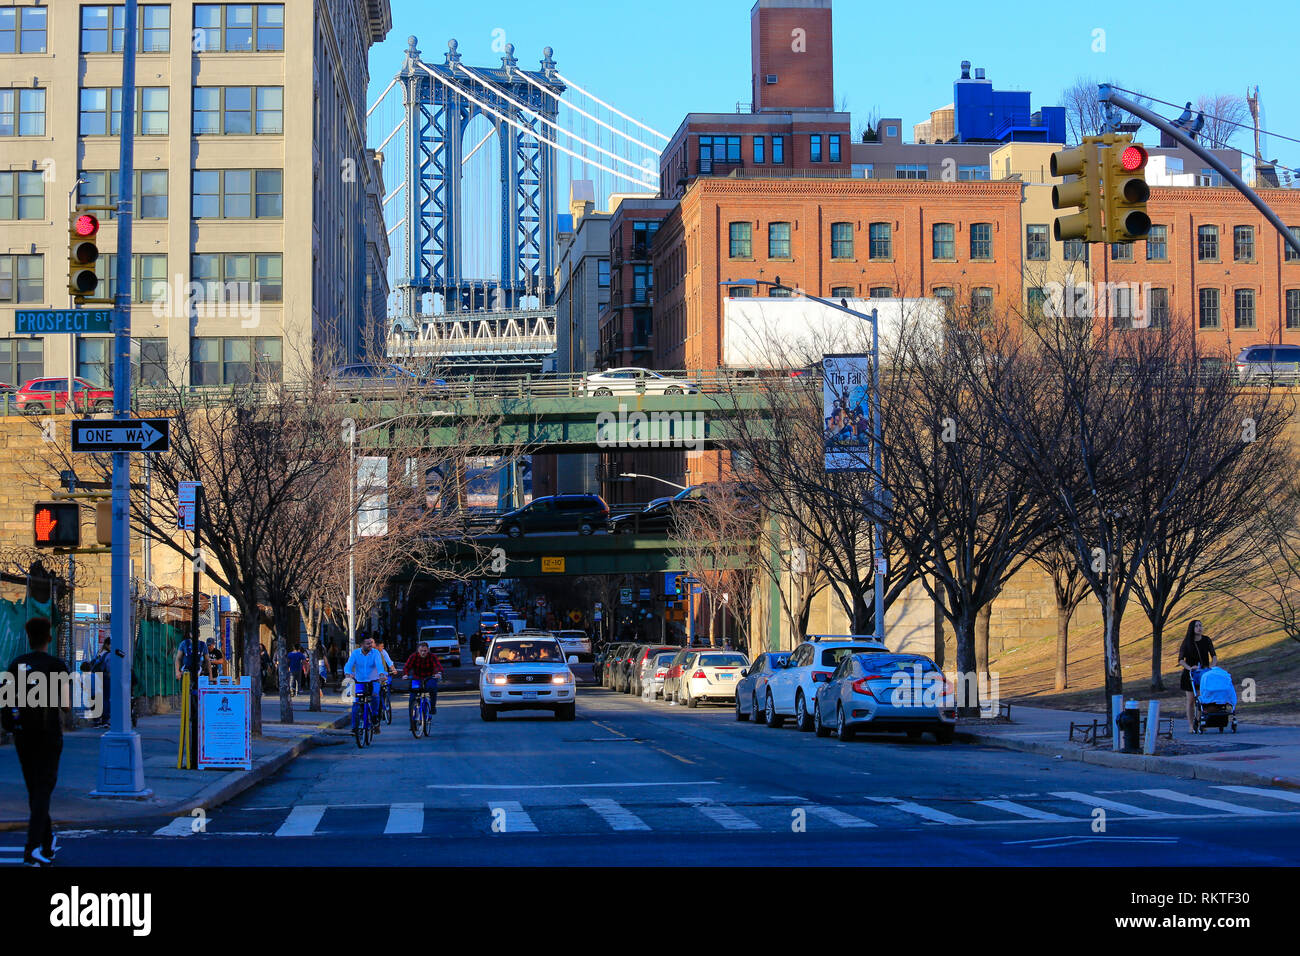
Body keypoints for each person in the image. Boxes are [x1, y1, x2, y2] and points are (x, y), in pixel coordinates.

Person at [2, 618, 68, 866]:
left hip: (22, 736)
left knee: (35, 789)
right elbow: (66, 705)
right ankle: (32, 847)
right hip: (48, 734)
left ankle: (48, 839)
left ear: (29, 638)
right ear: (48, 638)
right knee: (43, 789)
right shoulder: (56, 666)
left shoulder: (16, 665)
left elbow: (6, 703)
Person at [1177, 619, 1218, 733]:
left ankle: (1200, 722)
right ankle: (1191, 725)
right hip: (1190, 674)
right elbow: (1180, 660)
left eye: (1201, 625)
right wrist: (1189, 668)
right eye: (1196, 626)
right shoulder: (1187, 642)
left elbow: (1214, 655)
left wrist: (1211, 667)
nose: (1199, 628)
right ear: (1192, 629)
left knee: (1201, 700)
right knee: (1191, 700)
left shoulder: (1206, 640)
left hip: (1204, 674)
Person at [343, 637, 387, 734]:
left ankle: (375, 716)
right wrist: (347, 673)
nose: (370, 645)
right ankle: (355, 727)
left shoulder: (375, 653)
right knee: (356, 702)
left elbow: (379, 665)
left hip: (374, 680)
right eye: (367, 643)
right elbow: (349, 664)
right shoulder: (355, 653)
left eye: (371, 643)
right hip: (359, 681)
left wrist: (381, 674)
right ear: (361, 644)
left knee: (375, 695)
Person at [402, 642, 444, 719]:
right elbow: (406, 667)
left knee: (433, 687)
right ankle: (412, 719)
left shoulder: (432, 656)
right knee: (412, 697)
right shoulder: (413, 656)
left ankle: (433, 706)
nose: (423, 653)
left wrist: (439, 673)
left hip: (429, 677)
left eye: (425, 651)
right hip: (416, 678)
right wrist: (405, 674)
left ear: (428, 650)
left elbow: (438, 666)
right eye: (421, 651)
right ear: (418, 650)